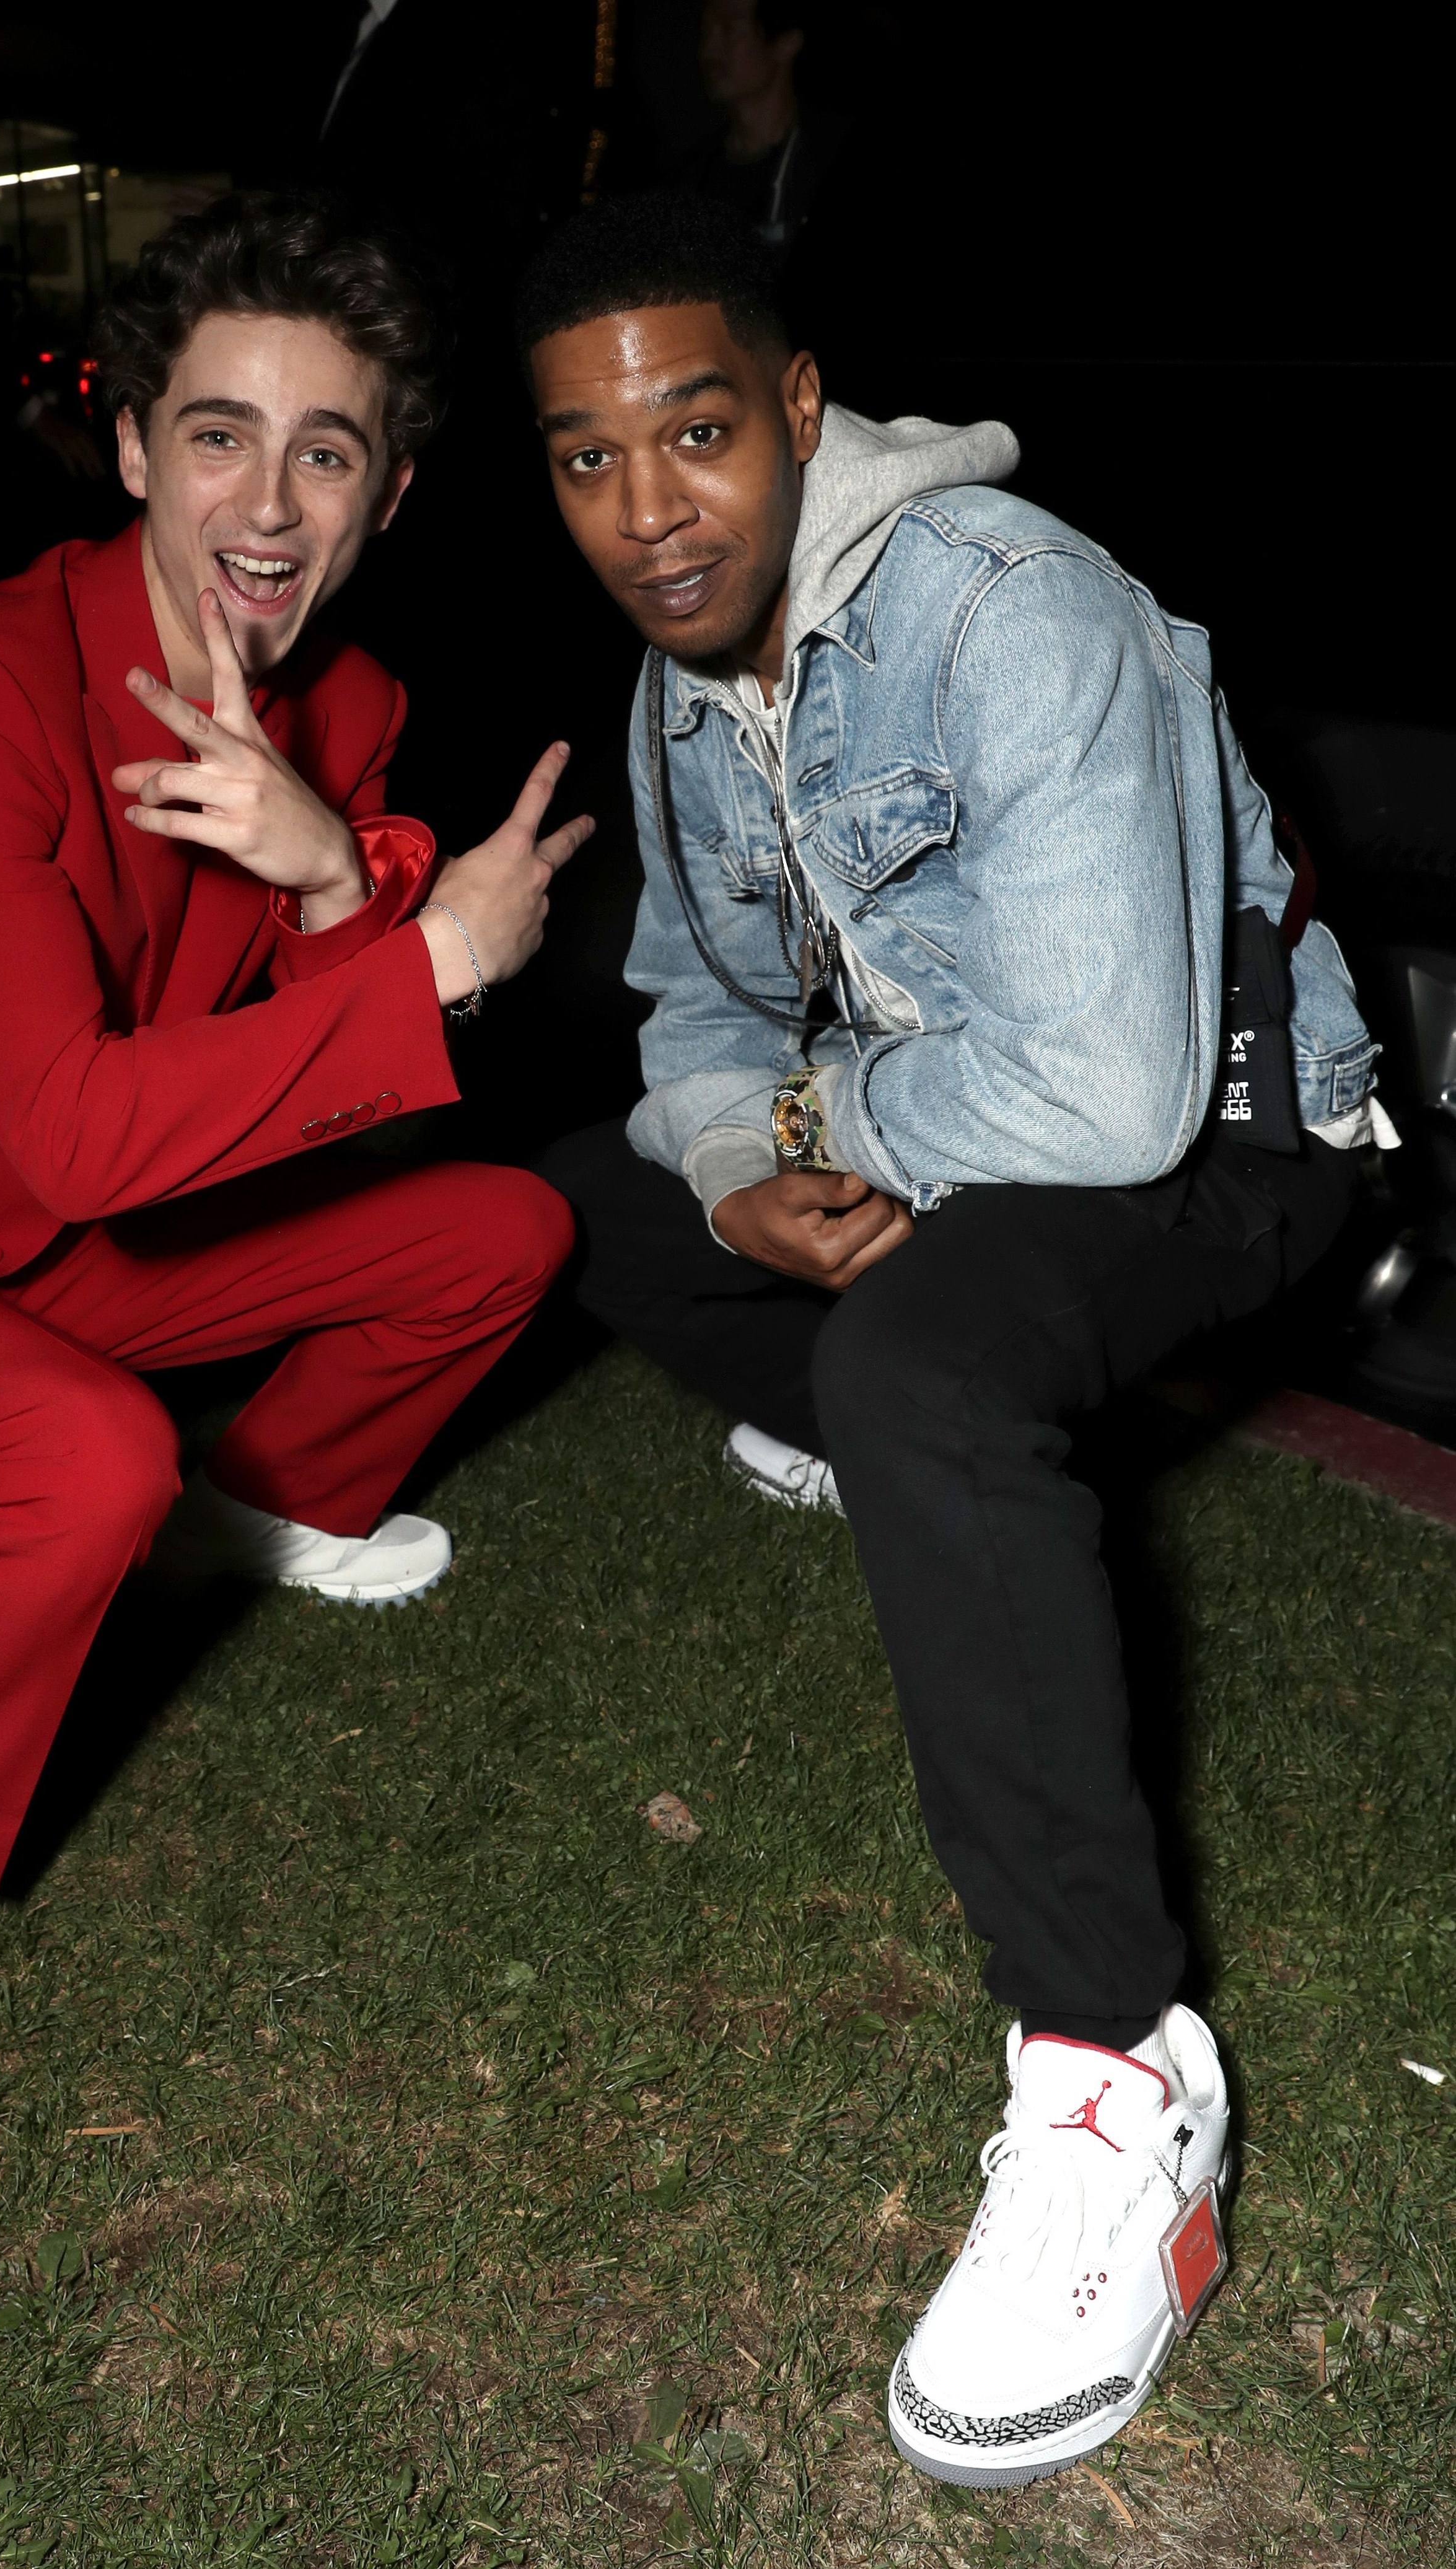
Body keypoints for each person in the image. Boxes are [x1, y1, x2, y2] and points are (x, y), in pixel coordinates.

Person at [518, 193, 1380, 2486]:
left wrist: (808, 1126)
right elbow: (690, 1012)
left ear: (793, 414)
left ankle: (1118, 2080)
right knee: (585, 1197)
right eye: (586, 461)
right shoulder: (684, 675)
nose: (646, 508)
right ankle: (918, 1469)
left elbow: (1096, 1091)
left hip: (1221, 1130)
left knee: (917, 1356)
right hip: (959, 1119)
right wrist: (732, 1161)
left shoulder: (1005, 604)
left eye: (694, 433)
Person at [0, 192, 590, 2143]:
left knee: (500, 1228)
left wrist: (336, 875)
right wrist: (424, 952)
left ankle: (256, 1512)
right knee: (81, 1445)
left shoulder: (348, 708)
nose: (270, 497)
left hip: (93, 1238)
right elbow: (75, 1116)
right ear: (136, 444)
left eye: (325, 449)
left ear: (386, 496)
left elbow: (351, 1101)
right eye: (222, 433)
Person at [677, 0, 831, 248]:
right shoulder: (691, 178)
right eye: (706, 31)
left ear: (786, 43)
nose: (710, 48)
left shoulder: (827, 161)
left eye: (730, 28)